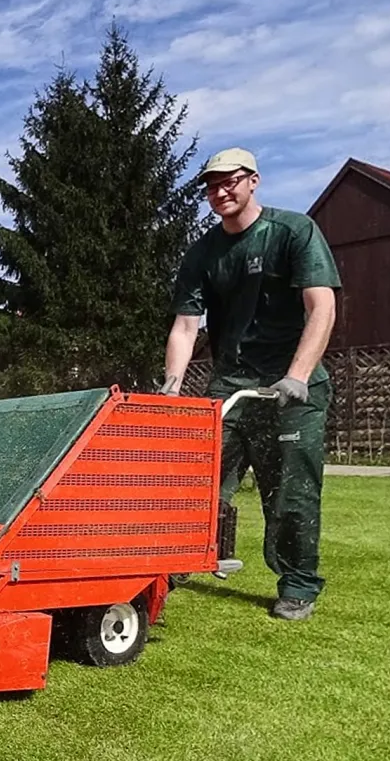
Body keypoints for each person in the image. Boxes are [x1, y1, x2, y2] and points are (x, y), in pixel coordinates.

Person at [161, 147, 340, 621]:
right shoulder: (203, 253)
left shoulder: (293, 232)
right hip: (231, 385)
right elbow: (185, 325)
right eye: (211, 185)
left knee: (290, 494)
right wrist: (173, 388)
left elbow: (321, 307)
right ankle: (177, 561)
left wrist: (298, 376)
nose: (220, 192)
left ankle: (298, 584)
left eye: (230, 182)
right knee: (198, 484)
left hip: (291, 388)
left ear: (253, 180)